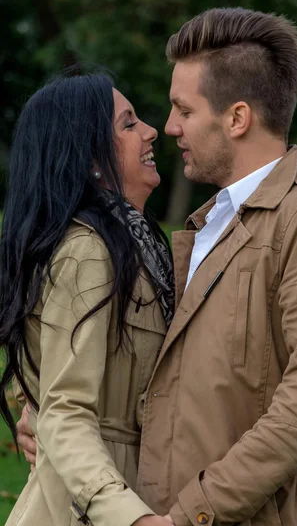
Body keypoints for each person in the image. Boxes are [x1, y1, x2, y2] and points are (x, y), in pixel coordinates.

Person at [17, 8, 297, 526]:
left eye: (184, 108)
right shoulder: (198, 233)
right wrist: (47, 415)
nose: (169, 125)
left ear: (237, 118)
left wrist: (194, 514)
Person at [0, 72, 175, 526]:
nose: (151, 131)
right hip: (94, 505)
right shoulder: (88, 251)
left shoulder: (139, 249)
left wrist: (34, 408)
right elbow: (67, 409)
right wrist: (131, 518)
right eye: (129, 123)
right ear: (91, 155)